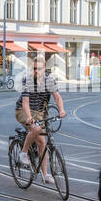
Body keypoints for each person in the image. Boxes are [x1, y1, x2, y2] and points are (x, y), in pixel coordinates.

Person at [17, 55, 66, 184]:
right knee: (36, 129)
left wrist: (61, 110)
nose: (36, 71)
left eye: (38, 68)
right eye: (34, 68)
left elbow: (57, 97)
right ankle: (23, 152)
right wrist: (28, 117)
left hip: (40, 112)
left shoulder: (49, 80)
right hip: (23, 110)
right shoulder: (27, 80)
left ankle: (45, 175)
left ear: (44, 69)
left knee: (42, 143)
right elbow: (25, 102)